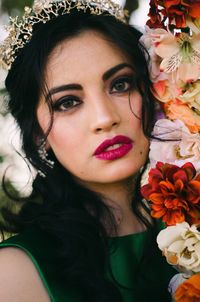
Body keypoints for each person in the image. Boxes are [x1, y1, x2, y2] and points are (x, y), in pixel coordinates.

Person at [0, 0, 176, 301]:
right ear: (37, 132)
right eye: (67, 102)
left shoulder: (190, 230)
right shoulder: (15, 275)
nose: (105, 118)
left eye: (120, 84)